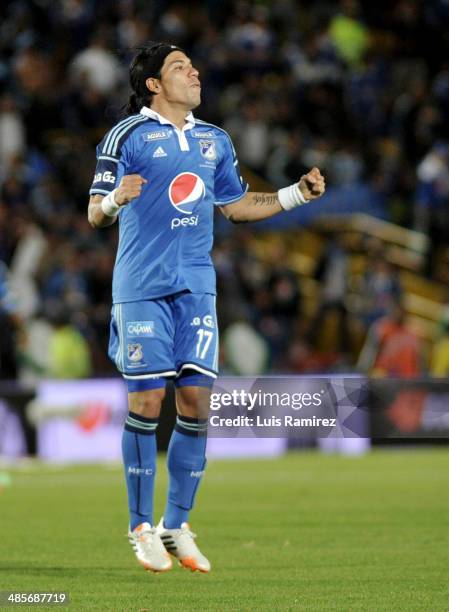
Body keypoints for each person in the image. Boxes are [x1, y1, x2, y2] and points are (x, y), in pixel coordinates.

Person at [88, 41, 325, 574]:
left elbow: (237, 206)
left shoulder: (214, 140)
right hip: (142, 286)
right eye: (179, 67)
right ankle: (140, 527)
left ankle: (177, 525)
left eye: (193, 64)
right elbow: (93, 216)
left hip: (196, 287)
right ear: (153, 84)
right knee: (148, 403)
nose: (193, 71)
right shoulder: (126, 136)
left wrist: (296, 195)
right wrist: (113, 200)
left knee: (197, 404)